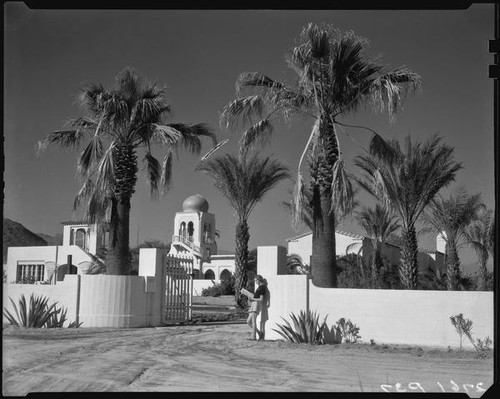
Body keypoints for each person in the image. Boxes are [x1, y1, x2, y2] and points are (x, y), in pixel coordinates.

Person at [246, 275, 268, 341]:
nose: (255, 282)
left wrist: (253, 298)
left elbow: (261, 299)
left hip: (256, 305)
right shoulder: (259, 287)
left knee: (253, 321)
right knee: (248, 321)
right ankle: (259, 333)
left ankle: (254, 336)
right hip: (254, 305)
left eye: (256, 280)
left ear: (259, 280)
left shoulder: (262, 288)